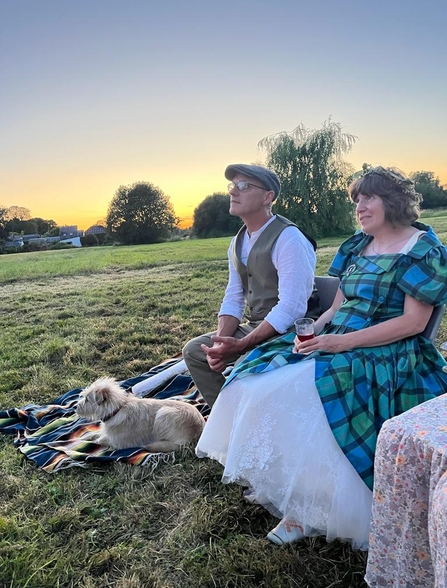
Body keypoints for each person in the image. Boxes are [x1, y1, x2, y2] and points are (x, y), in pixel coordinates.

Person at [196, 166, 447, 550]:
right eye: (357, 200)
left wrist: (341, 345)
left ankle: (313, 512)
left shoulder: (423, 250)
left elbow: (413, 323)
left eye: (368, 198)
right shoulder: (358, 245)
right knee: (252, 376)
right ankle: (296, 492)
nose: (360, 207)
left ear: (393, 202)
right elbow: (339, 304)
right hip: (337, 339)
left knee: (304, 394)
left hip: (385, 352)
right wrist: (317, 328)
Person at [183, 163, 318, 408]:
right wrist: (219, 346)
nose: (234, 191)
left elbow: (292, 308)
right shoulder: (238, 241)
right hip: (258, 325)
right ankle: (226, 417)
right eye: (233, 186)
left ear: (268, 197)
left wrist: (245, 343)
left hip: (294, 332)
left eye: (244, 186)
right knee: (194, 351)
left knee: (247, 360)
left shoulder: (290, 239)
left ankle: (252, 422)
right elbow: (234, 298)